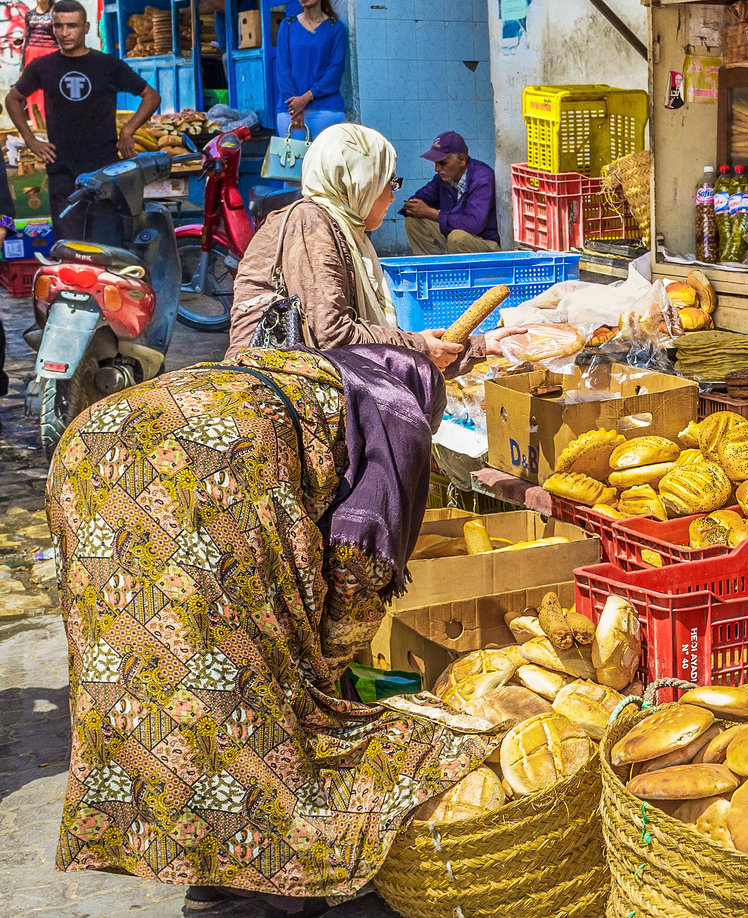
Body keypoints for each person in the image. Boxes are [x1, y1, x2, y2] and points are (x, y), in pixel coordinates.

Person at [46, 343, 501, 912]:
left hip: (90, 447)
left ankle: (209, 866)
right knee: (255, 698)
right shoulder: (396, 411)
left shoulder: (302, 374)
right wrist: (333, 664)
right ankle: (281, 873)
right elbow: (359, 563)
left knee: (139, 673)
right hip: (210, 467)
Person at [228, 123, 519, 372]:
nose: (393, 196)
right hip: (275, 401)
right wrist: (419, 347)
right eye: (389, 182)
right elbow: (333, 337)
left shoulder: (342, 228)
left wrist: (477, 346)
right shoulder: (312, 224)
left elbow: (373, 346)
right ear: (360, 182)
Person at [4, 0, 160, 241]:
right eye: (59, 26)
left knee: (107, 248)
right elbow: (13, 99)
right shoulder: (42, 67)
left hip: (105, 171)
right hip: (62, 173)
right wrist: (31, 140)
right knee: (70, 249)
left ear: (86, 27)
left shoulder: (107, 65)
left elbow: (151, 96)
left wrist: (128, 131)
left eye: (72, 26)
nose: (64, 33)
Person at [403, 130, 501, 256]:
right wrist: (413, 205)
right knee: (413, 221)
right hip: (452, 239)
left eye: (443, 163)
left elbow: (474, 224)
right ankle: (434, 270)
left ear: (461, 159)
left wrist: (432, 213)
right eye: (435, 163)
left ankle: (465, 274)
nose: (437, 169)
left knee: (458, 238)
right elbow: (421, 197)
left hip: (483, 244)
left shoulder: (482, 178)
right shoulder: (443, 178)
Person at [274, 0, 347, 139]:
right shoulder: (287, 25)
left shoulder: (336, 28)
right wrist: (295, 106)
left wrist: (306, 97)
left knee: (327, 161)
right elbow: (283, 71)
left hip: (327, 109)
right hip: (290, 111)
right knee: (295, 160)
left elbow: (334, 72)